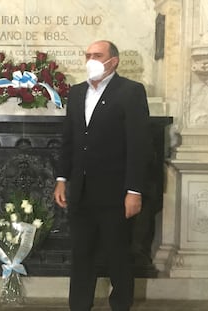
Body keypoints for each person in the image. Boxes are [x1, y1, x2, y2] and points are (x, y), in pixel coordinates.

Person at [54, 40, 150, 311]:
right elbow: (69, 139)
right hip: (81, 191)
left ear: (113, 61)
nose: (91, 60)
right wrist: (62, 178)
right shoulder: (76, 93)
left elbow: (138, 144)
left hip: (116, 193)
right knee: (81, 254)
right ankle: (79, 305)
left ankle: (120, 305)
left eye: (97, 55)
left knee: (118, 256)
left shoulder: (130, 91)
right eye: (88, 55)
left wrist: (134, 190)